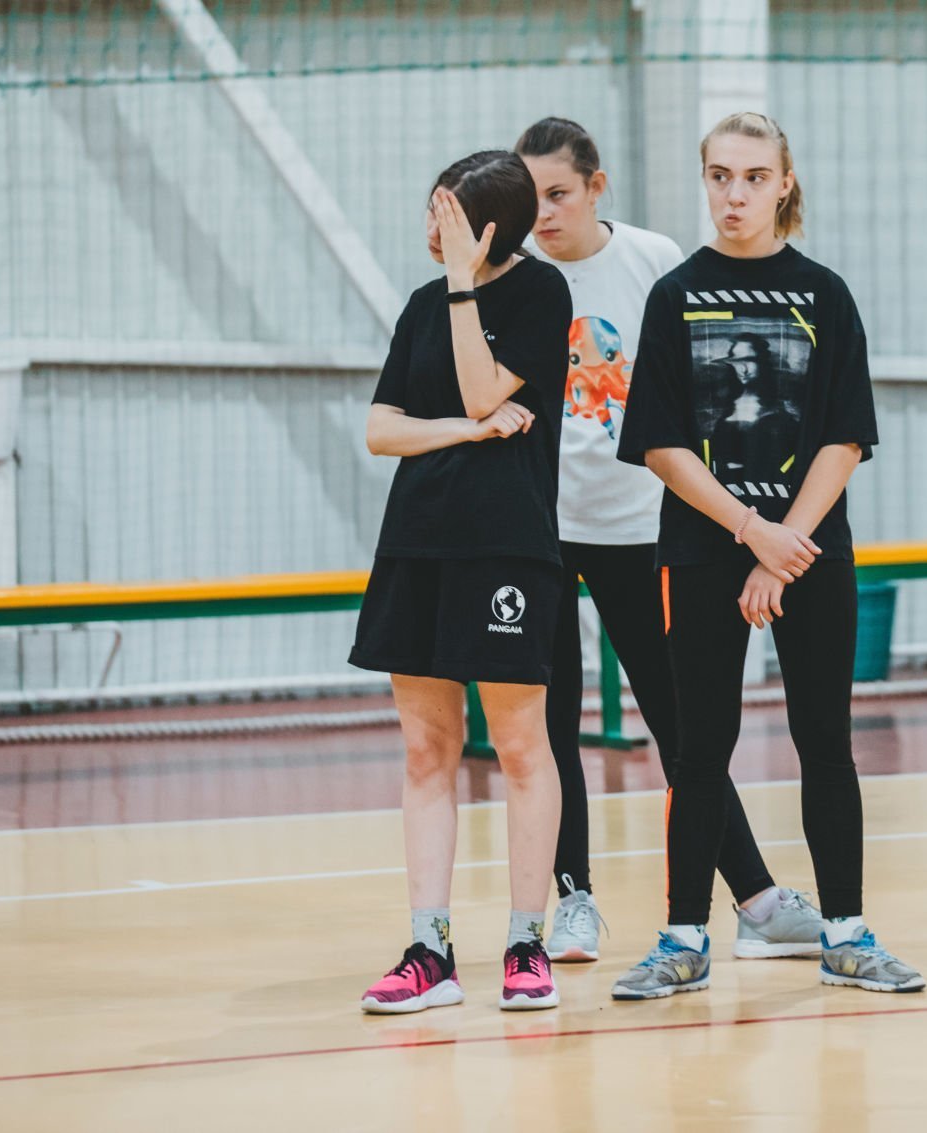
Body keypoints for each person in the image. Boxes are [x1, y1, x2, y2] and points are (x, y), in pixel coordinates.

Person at [610, 112, 925, 999]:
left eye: (753, 177)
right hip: (705, 550)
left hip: (811, 551)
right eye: (720, 176)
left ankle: (847, 934)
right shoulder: (674, 295)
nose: (735, 194)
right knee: (699, 749)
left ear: (784, 183)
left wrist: (784, 550)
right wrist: (753, 533)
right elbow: (663, 446)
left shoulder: (826, 295)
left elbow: (844, 439)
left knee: (826, 740)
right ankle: (683, 939)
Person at [515, 117, 824, 964]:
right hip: (538, 530)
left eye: (559, 194)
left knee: (685, 728)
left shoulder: (653, 262)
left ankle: (757, 901)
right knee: (549, 727)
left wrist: (739, 517)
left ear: (596, 187)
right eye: (529, 198)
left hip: (638, 529)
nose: (544, 214)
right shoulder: (514, 274)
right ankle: (573, 901)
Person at [349, 150, 572, 1013]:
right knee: (425, 749)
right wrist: (462, 434)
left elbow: (485, 390)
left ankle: (525, 941)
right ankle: (429, 948)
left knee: (519, 746)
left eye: (444, 216)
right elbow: (382, 429)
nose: (428, 227)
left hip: (507, 547)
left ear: (483, 232)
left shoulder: (540, 292)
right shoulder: (420, 305)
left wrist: (461, 284)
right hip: (417, 542)